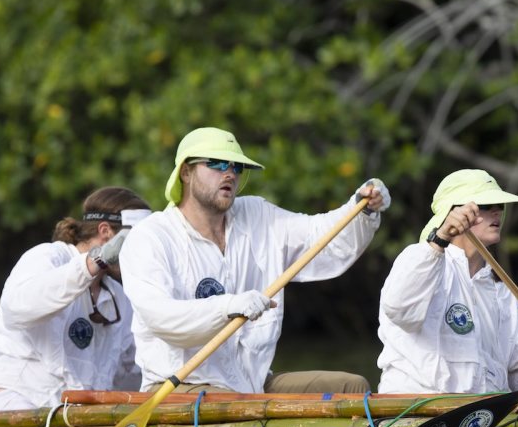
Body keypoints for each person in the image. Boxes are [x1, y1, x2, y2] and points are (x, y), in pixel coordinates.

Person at [118, 126, 389, 394]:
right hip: (177, 386)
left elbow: (320, 237)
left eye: (236, 167)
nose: (229, 173)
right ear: (186, 172)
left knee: (351, 386)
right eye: (217, 163)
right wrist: (228, 306)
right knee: (232, 405)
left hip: (251, 385)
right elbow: (161, 318)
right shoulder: (150, 236)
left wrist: (360, 208)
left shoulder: (257, 214)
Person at [376, 169, 518, 393]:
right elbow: (401, 311)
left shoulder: (503, 291)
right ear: (454, 212)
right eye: (486, 205)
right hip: (415, 412)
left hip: (482, 417)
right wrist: (440, 237)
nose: (498, 210)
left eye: (501, 205)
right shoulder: (417, 260)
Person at [0, 186, 151, 410]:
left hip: (71, 420)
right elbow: (17, 308)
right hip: (14, 403)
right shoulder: (48, 256)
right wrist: (95, 262)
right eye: (137, 242)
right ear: (106, 232)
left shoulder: (120, 298)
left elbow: (139, 367)